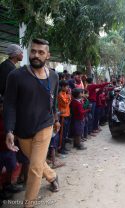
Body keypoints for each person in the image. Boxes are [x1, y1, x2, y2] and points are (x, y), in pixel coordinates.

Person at [4, 38, 60, 207]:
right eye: (33, 51)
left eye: (41, 52)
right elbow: (9, 104)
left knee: (34, 167)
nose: (36, 55)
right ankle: (52, 176)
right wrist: (9, 130)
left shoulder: (54, 76)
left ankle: (28, 204)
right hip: (23, 130)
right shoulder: (15, 76)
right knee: (38, 162)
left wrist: (56, 119)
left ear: (47, 55)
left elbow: (54, 101)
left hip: (45, 125)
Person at [57, 80, 72, 154]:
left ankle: (63, 146)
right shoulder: (60, 94)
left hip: (67, 114)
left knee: (65, 133)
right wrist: (69, 97)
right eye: (66, 86)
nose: (68, 88)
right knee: (62, 133)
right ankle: (60, 148)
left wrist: (68, 98)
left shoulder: (65, 93)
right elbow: (66, 104)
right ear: (62, 87)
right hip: (63, 116)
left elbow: (69, 102)